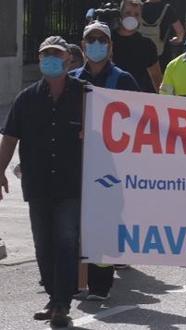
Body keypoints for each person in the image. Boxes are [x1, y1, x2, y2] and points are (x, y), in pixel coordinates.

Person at [0, 36, 86, 328]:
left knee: (65, 240)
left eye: (56, 54)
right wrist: (0, 171)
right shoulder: (26, 98)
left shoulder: (86, 96)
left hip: (71, 183)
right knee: (42, 244)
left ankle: (62, 302)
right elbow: (10, 137)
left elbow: (108, 131)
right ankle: (53, 296)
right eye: (45, 54)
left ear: (69, 60)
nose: (50, 59)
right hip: (37, 184)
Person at [69, 22, 139, 301]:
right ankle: (75, 282)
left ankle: (100, 285)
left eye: (102, 39)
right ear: (83, 45)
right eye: (90, 39)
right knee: (74, 224)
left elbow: (140, 118)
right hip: (76, 163)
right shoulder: (71, 77)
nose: (96, 44)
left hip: (111, 165)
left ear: (110, 46)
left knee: (105, 223)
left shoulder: (123, 80)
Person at [111, 0, 163, 92]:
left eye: (136, 14)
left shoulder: (147, 45)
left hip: (137, 99)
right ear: (120, 14)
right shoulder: (108, 40)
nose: (132, 17)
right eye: (128, 13)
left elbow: (157, 79)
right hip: (110, 96)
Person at [139, 0, 185, 64]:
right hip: (162, 54)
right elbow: (180, 31)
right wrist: (177, 39)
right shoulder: (167, 9)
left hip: (141, 53)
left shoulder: (139, 8)